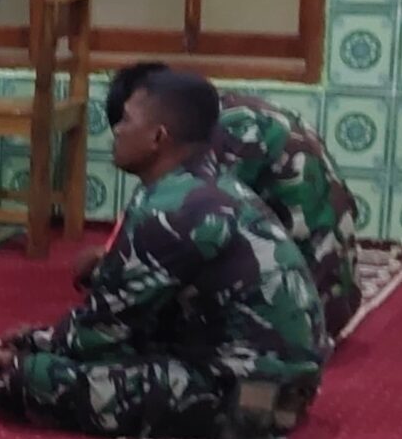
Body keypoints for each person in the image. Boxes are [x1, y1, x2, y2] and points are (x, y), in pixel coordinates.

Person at [0, 67, 327, 439]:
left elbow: (99, 332)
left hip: (254, 399)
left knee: (31, 381)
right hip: (273, 377)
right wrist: (37, 339)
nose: (117, 130)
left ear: (158, 137)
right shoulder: (209, 184)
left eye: (126, 120)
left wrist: (25, 353)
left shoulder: (170, 210)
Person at [73, 64, 362, 338]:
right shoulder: (224, 114)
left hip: (308, 312)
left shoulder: (222, 137)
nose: (119, 133)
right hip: (335, 286)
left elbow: (183, 236)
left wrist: (112, 269)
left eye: (127, 120)